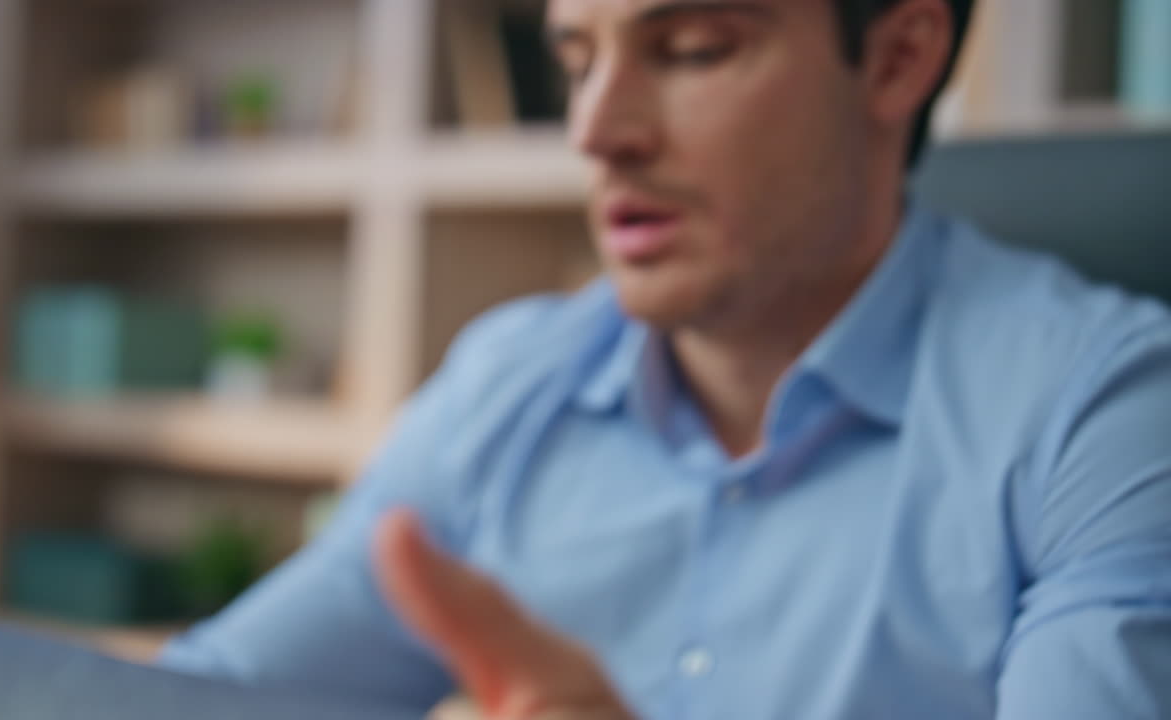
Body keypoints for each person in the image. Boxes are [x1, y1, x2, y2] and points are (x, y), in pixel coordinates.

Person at [159, 1, 1171, 718]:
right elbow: (210, 699)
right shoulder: (506, 383)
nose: (597, 132)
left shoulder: (1106, 411)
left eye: (689, 48)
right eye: (574, 59)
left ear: (896, 58)